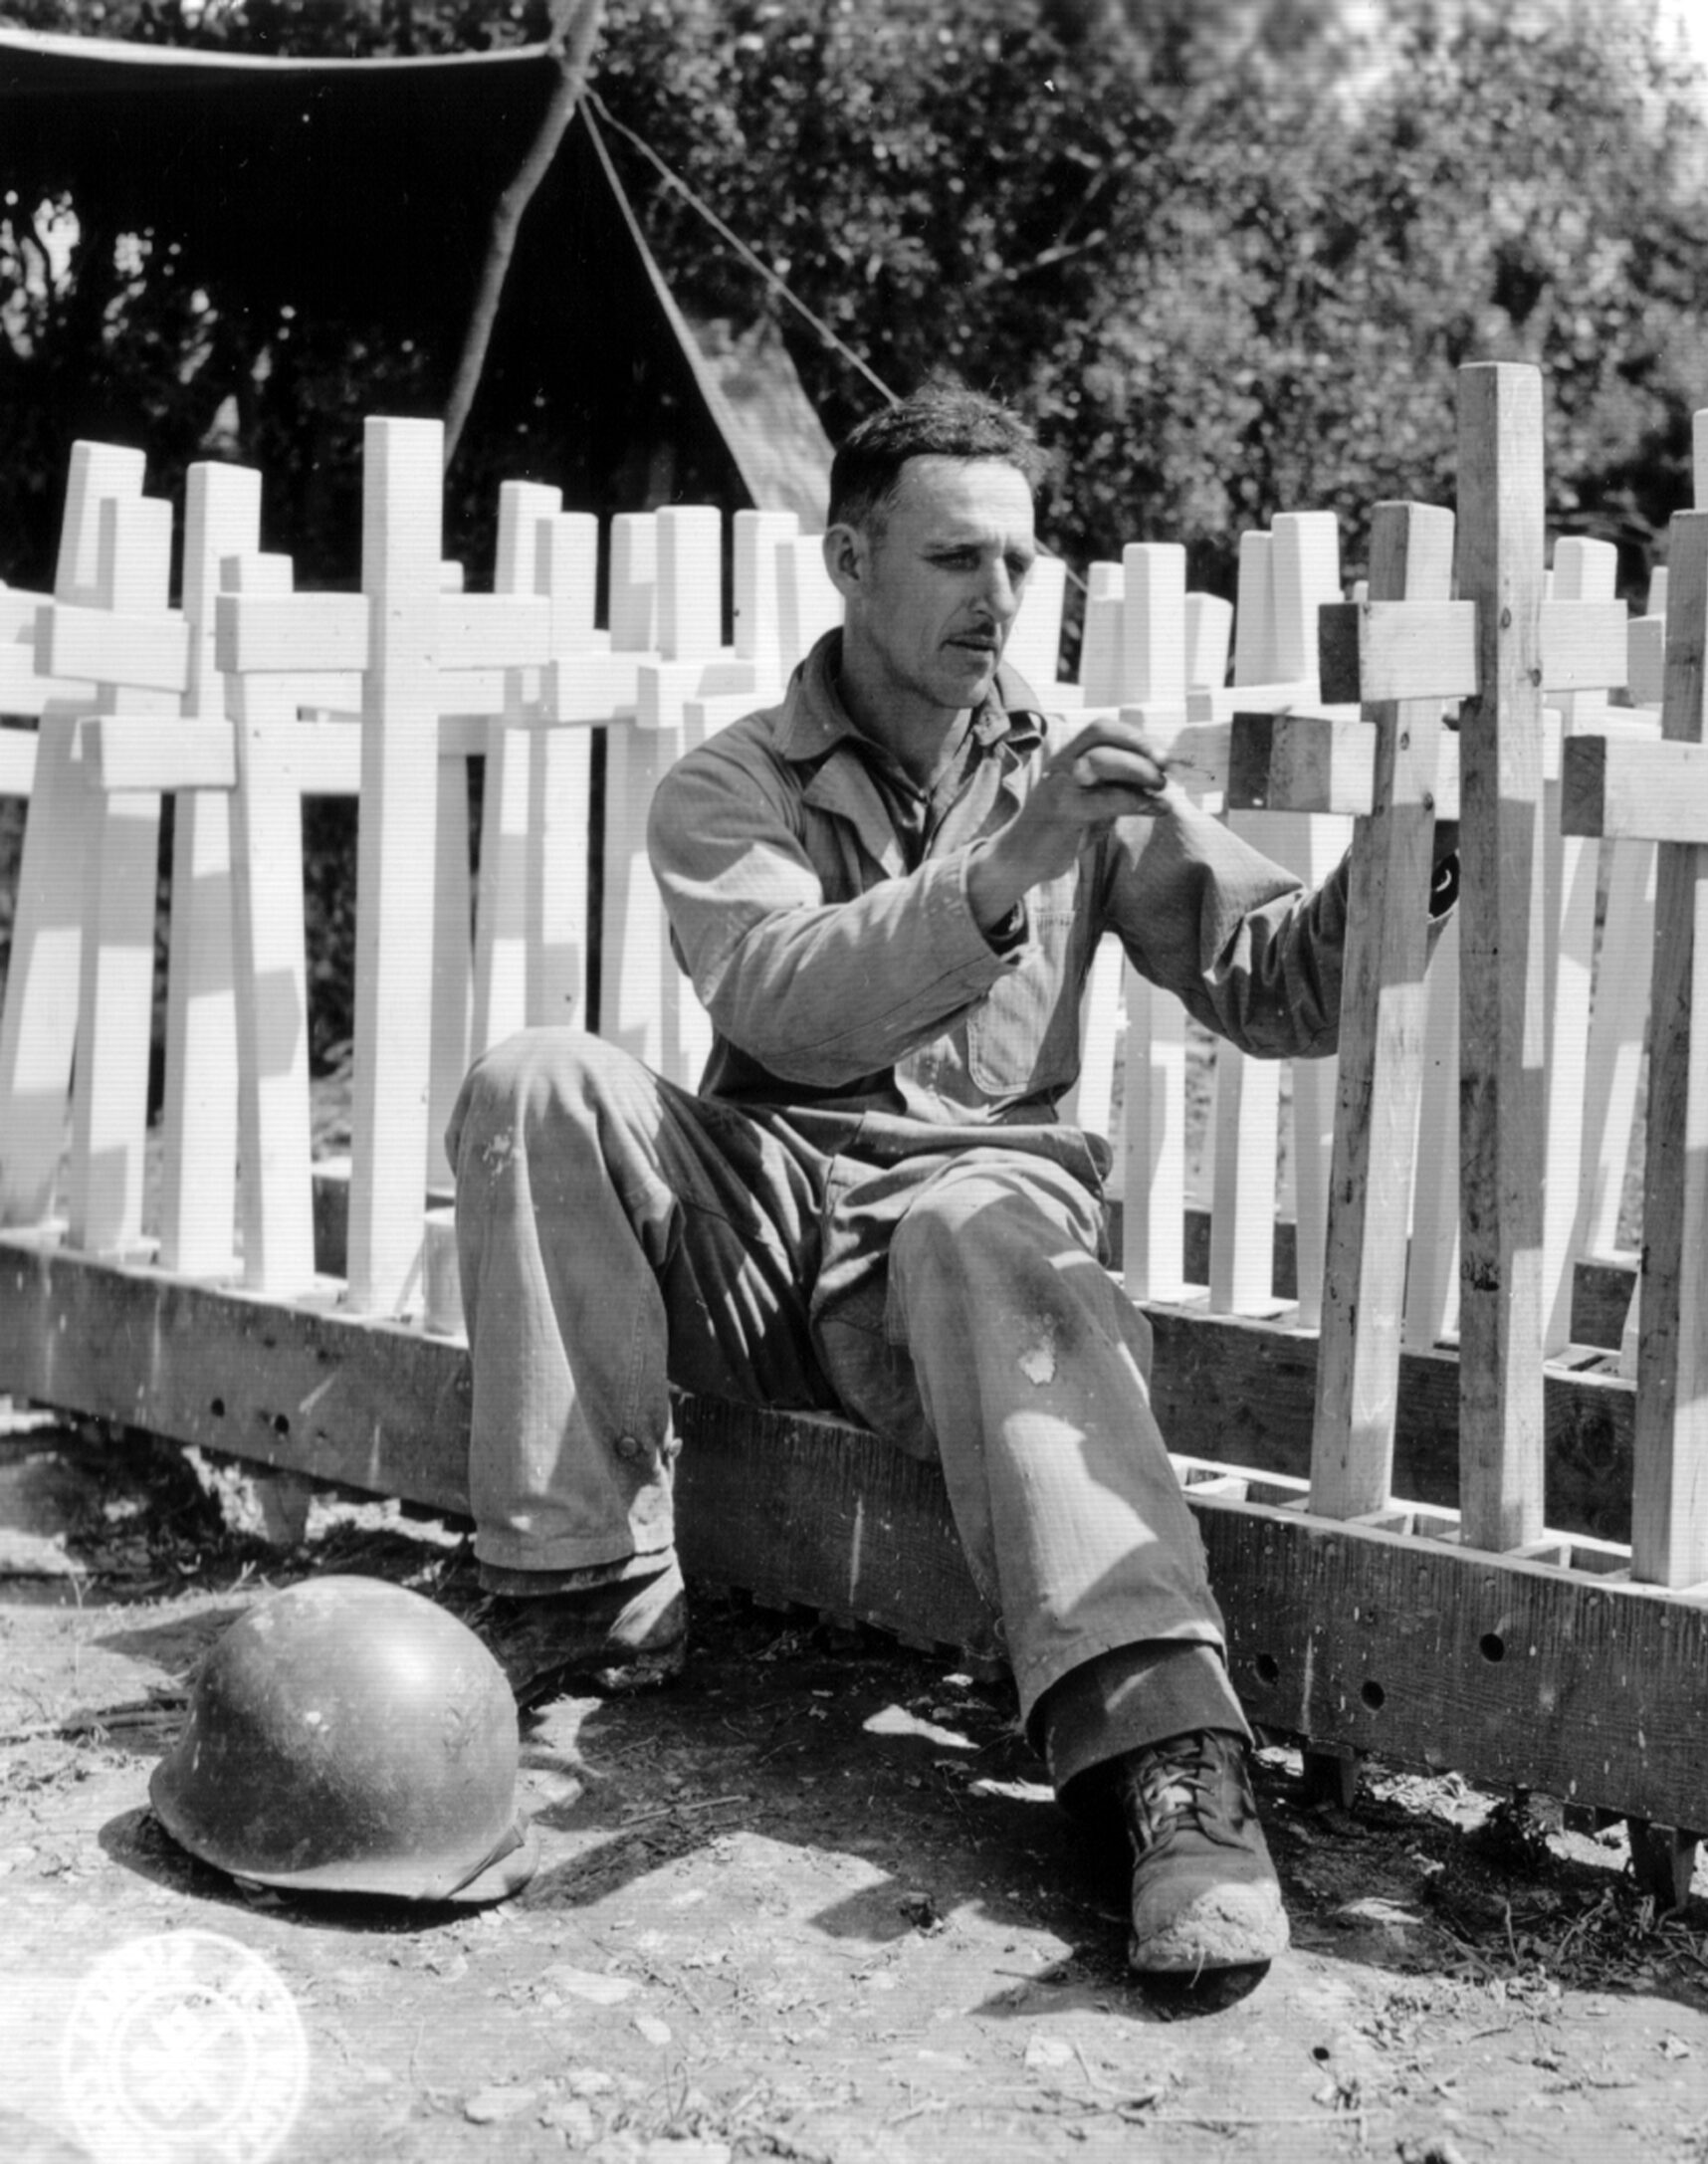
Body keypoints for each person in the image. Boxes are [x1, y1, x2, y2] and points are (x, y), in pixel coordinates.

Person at [446, 385, 1450, 1978]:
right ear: (849, 559)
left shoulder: (1070, 773)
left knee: (991, 1220)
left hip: (964, 1249)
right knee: (537, 1080)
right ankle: (578, 1590)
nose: (999, 599)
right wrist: (1009, 867)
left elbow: (1276, 983)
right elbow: (784, 996)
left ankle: (1165, 1757)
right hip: (767, 1225)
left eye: (1020, 564)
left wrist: (1420, 829)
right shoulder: (734, 781)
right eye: (956, 558)